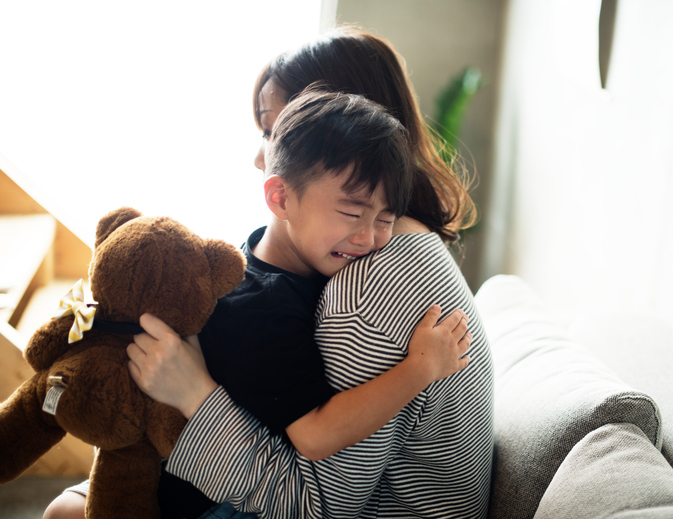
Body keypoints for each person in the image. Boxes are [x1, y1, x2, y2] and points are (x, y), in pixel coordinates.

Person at [45, 27, 493, 519]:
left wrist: (193, 393)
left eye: (276, 134)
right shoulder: (371, 243)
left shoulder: (368, 288)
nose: (259, 157)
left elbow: (316, 506)